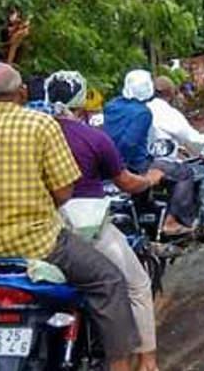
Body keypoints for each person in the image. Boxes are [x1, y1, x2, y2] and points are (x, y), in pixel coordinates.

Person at [0, 62, 138, 371]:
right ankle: (120, 366)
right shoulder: (42, 125)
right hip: (37, 244)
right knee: (109, 281)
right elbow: (64, 192)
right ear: (21, 93)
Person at [43, 71, 165, 371]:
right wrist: (150, 180)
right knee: (136, 285)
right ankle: (147, 360)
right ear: (82, 100)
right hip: (87, 224)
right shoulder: (93, 137)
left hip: (40, 223)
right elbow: (126, 182)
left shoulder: (34, 132)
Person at [103, 70, 197, 235]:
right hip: (136, 164)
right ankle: (171, 221)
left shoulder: (111, 106)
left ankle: (148, 209)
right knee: (185, 173)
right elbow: (129, 143)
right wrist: (123, 166)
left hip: (109, 162)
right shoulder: (143, 112)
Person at [148, 76, 204, 234]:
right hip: (163, 164)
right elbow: (190, 137)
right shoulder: (167, 113)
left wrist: (179, 148)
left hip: (144, 163)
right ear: (170, 93)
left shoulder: (143, 109)